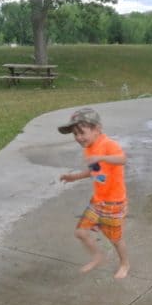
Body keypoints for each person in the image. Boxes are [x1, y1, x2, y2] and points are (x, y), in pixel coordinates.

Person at [58, 108, 130, 278]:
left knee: (115, 239)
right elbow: (94, 171)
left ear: (97, 129)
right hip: (98, 201)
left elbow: (122, 160)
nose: (78, 137)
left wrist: (102, 158)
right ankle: (98, 256)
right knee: (80, 232)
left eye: (81, 132)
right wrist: (74, 177)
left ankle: (125, 264)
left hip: (114, 203)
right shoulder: (89, 148)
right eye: (75, 134)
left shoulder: (108, 145)